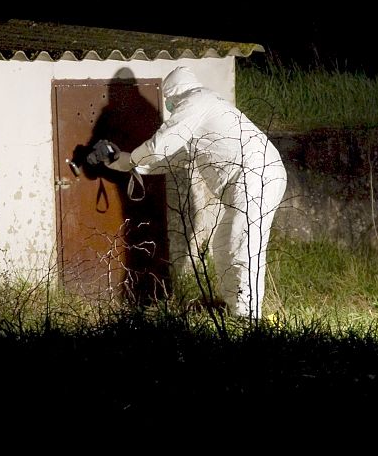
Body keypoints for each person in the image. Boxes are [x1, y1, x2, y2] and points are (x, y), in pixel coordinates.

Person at [93, 66, 288, 320]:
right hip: (257, 177)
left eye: (169, 101)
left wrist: (131, 160)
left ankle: (249, 319)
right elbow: (172, 158)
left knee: (243, 246)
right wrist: (121, 160)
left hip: (256, 177)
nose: (170, 107)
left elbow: (159, 145)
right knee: (224, 244)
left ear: (175, 93)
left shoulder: (196, 101)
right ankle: (236, 310)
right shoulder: (201, 114)